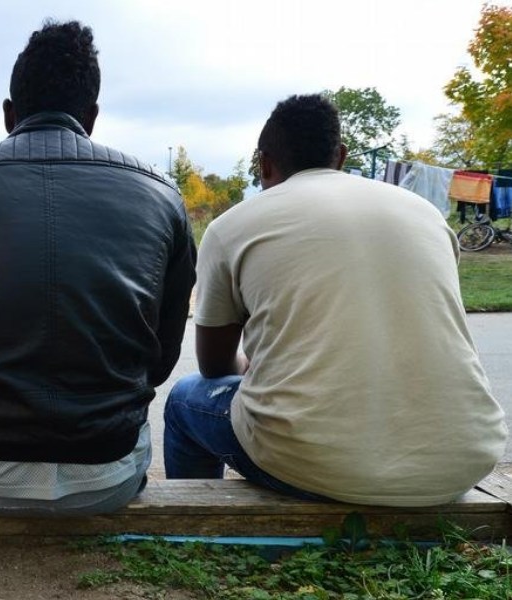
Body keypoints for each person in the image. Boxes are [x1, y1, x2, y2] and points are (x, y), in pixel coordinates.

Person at [0, 20, 196, 517]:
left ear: (9, 113)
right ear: (92, 116)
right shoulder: (162, 196)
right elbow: (158, 361)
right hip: (109, 473)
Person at [166, 94, 508, 506]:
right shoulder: (426, 215)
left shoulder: (231, 227)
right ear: (341, 155)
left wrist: (253, 365)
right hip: (463, 459)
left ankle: (195, 521)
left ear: (265, 164)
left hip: (313, 463)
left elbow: (215, 366)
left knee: (186, 397)